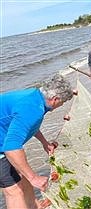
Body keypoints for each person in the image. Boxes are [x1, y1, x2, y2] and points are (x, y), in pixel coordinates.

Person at [0, 74, 74, 209]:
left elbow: (29, 126)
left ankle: (35, 206)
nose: (61, 105)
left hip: (4, 140)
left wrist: (44, 143)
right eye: (62, 102)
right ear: (55, 99)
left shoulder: (37, 98)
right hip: (3, 148)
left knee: (24, 179)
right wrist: (34, 177)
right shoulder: (32, 109)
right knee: (14, 191)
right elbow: (11, 147)